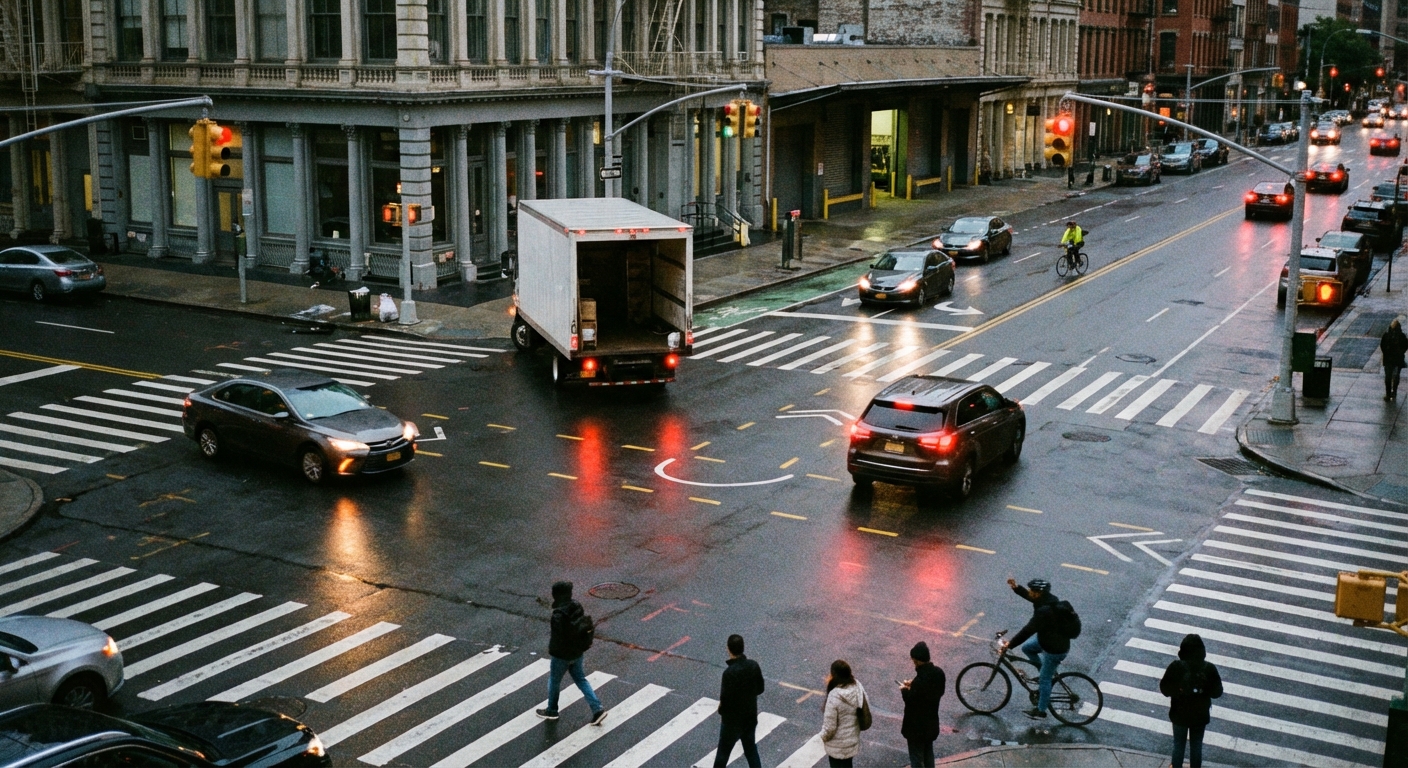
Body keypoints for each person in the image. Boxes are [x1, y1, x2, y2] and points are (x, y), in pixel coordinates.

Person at [535, 581, 607, 725]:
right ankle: (597, 708)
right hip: (577, 653)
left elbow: (558, 637)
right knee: (581, 679)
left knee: (554, 681)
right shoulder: (576, 605)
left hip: (562, 656)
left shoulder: (558, 614)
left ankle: (552, 710)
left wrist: (554, 651)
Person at [1002, 577, 1071, 719]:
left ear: (1038, 593)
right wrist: (1016, 588)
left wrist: (1010, 644)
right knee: (1027, 648)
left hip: (1055, 648)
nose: (1030, 592)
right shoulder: (1048, 600)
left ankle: (1041, 710)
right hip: (1049, 639)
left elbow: (1027, 630)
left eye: (1032, 590)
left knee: (1046, 680)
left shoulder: (1043, 612)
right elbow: (1029, 597)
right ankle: (1043, 672)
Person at [1159, 633, 1223, 768]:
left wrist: (1179, 691)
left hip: (1179, 713)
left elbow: (1165, 689)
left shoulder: (1176, 667)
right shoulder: (1209, 669)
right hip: (1200, 715)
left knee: (1178, 744)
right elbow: (1217, 692)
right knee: (1197, 744)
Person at [714, 634, 765, 768]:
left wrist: (721, 712)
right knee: (751, 751)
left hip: (732, 723)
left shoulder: (729, 674)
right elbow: (760, 689)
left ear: (728, 649)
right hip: (749, 718)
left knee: (723, 754)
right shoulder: (753, 666)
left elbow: (725, 700)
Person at [899, 641, 946, 768]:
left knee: (916, 757)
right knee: (928, 752)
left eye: (914, 661)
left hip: (916, 728)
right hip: (931, 723)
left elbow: (910, 700)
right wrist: (913, 684)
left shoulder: (920, 682)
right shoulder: (939, 673)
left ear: (918, 661)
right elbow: (936, 691)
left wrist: (904, 689)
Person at [820, 660, 866, 767]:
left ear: (834, 675)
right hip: (851, 740)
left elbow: (830, 728)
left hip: (837, 745)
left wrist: (821, 737)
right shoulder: (857, 686)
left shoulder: (834, 696)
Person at [1381, 319, 1407, 400]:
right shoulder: (1402, 336)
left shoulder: (1387, 335)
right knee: (1395, 377)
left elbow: (1382, 346)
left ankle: (1388, 394)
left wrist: (1386, 351)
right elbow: (1405, 346)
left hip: (1389, 359)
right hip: (1397, 359)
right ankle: (1394, 392)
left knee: (1388, 377)